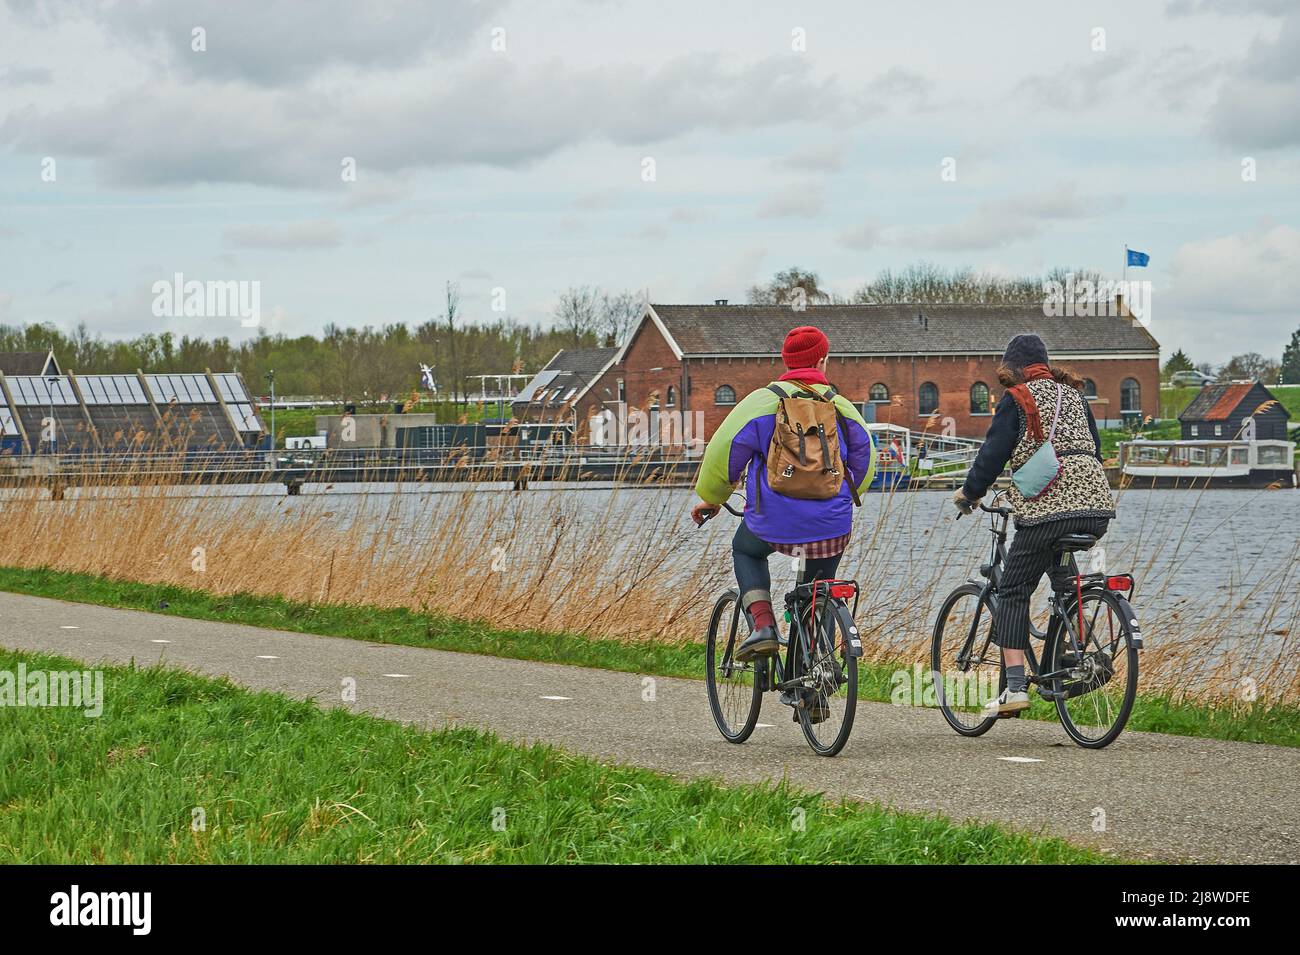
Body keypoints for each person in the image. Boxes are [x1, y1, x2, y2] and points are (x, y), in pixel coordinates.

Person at [691, 326, 876, 666]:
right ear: (822, 361)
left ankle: (763, 626)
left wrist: (712, 497)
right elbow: (867, 459)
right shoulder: (841, 407)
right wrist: (849, 496)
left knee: (745, 549)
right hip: (831, 524)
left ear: (786, 362)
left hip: (772, 522)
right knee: (818, 587)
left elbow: (724, 451)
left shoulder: (763, 402)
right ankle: (811, 670)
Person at [953, 333, 1116, 715]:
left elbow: (993, 455)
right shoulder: (1075, 396)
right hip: (1095, 507)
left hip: (1047, 510)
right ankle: (1071, 655)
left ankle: (1013, 688)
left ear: (1012, 369)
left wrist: (970, 494)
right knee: (1064, 580)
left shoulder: (1017, 399)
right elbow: (1095, 446)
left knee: (1013, 590)